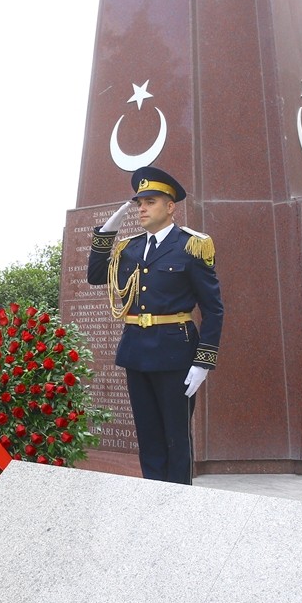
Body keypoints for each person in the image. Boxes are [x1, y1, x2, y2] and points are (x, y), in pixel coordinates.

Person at [86, 165, 224, 484]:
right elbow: (95, 276)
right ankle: (151, 501)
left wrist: (203, 362)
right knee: (148, 437)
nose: (142, 208)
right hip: (136, 353)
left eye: (150, 201)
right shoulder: (129, 248)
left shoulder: (191, 246)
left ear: (170, 206)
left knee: (176, 437)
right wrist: (107, 231)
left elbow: (214, 309)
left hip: (176, 353)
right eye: (139, 203)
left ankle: (177, 505)